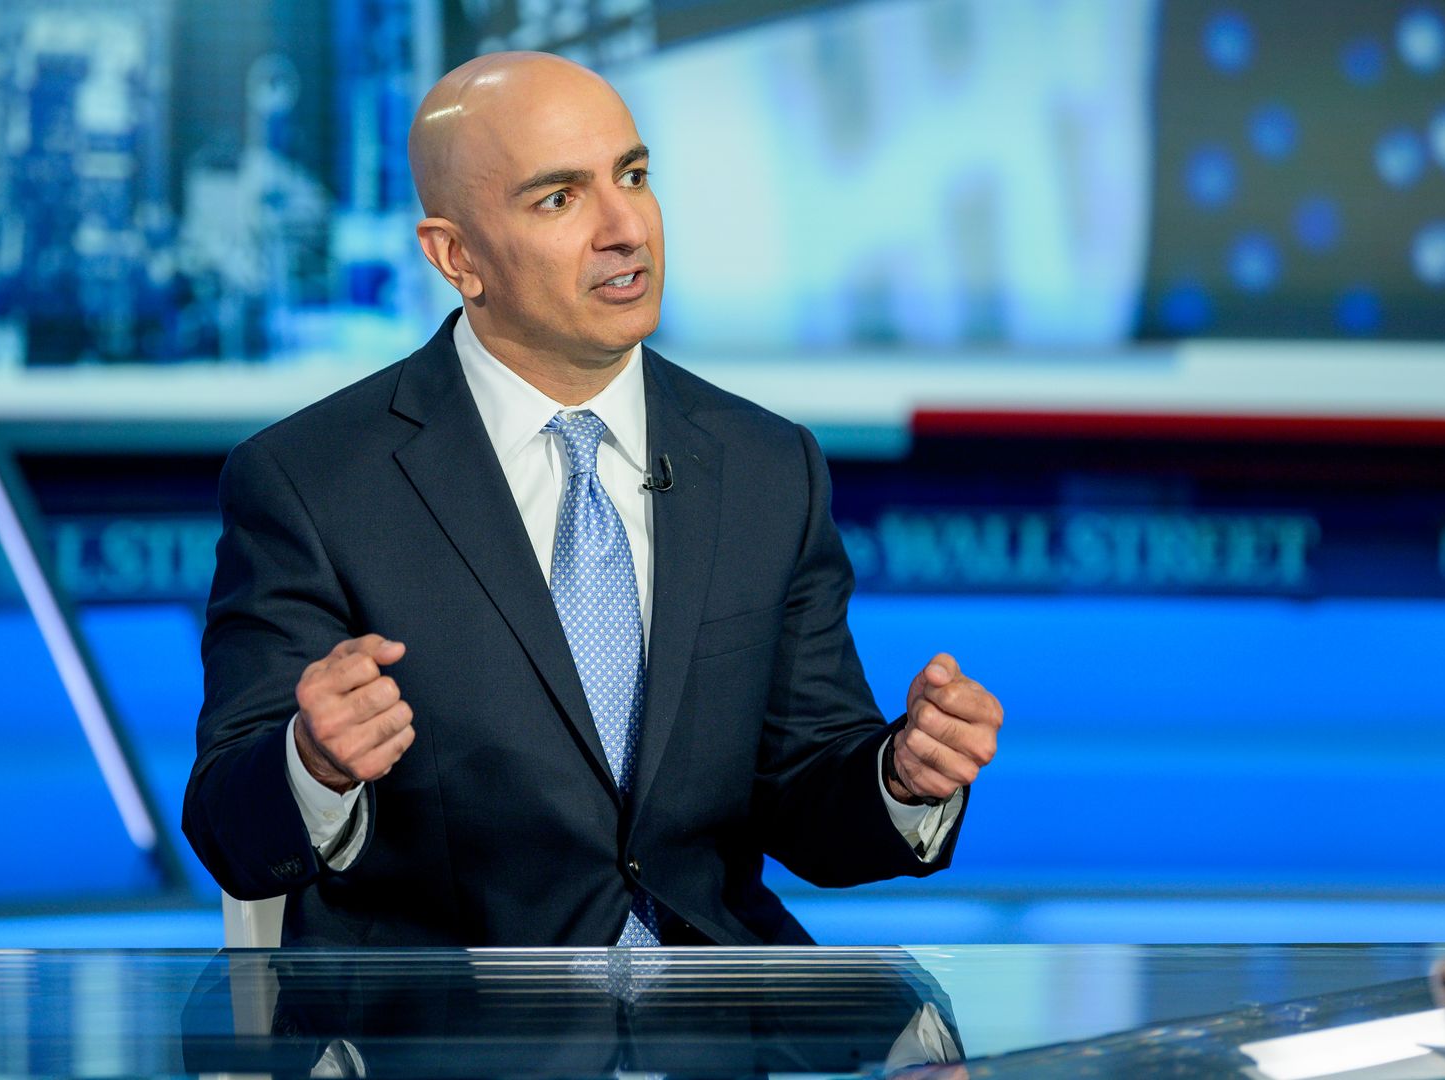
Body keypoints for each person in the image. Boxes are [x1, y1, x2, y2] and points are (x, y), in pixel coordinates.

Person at [183, 51, 1005, 947]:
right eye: (559, 198)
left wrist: (900, 777)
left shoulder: (769, 464)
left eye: (635, 176)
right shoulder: (312, 480)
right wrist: (312, 764)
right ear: (457, 256)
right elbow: (229, 826)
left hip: (712, 1026)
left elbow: (806, 788)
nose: (626, 227)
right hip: (453, 1034)